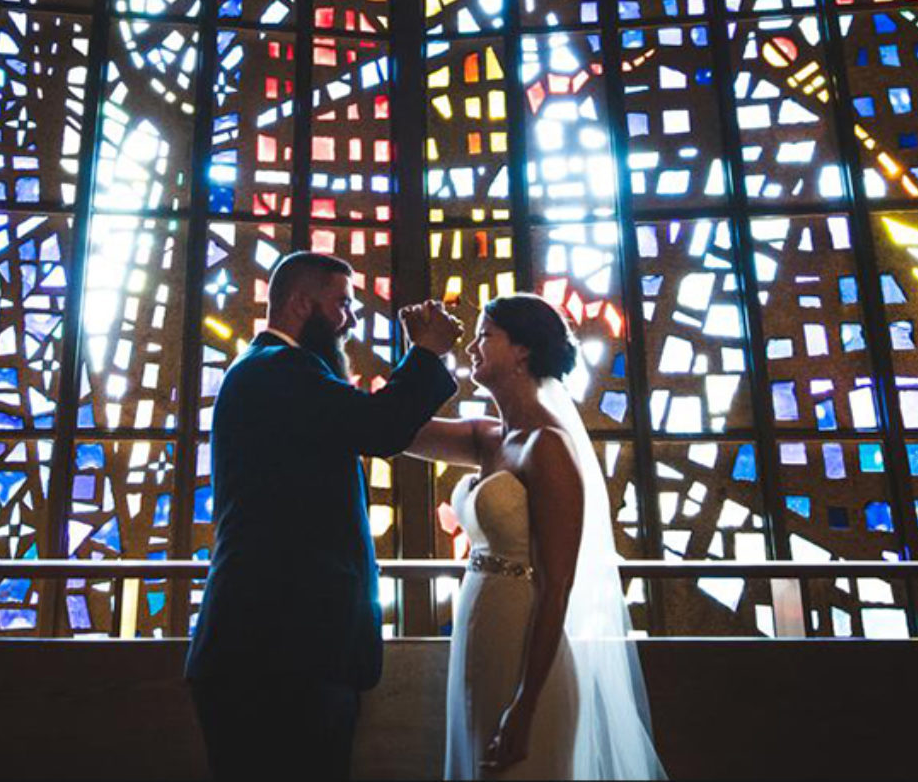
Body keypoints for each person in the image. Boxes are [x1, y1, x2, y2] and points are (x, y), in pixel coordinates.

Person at [185, 251, 461, 780]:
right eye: (342, 305)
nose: (352, 320)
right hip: (274, 655)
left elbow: (367, 422)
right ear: (299, 304)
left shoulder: (281, 372)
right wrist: (426, 351)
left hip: (284, 649)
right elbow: (379, 426)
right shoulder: (277, 371)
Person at [406, 293, 666, 779]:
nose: (473, 345)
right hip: (477, 642)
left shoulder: (548, 448)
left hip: (526, 649)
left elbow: (557, 586)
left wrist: (526, 704)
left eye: (486, 335)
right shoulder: (487, 437)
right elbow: (398, 431)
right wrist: (422, 352)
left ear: (522, 351)